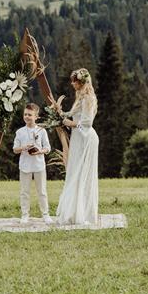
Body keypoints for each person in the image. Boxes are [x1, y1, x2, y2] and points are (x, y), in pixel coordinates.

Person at [55, 68, 99, 225]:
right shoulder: (79, 98)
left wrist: (70, 123)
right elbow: (70, 115)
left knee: (82, 173)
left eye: (75, 81)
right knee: (75, 172)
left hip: (86, 138)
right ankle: (74, 212)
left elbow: (87, 122)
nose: (72, 83)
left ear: (82, 82)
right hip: (78, 138)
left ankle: (84, 213)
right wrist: (60, 113)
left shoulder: (88, 98)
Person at [13, 103, 53, 225]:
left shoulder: (42, 131)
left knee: (42, 191)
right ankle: (25, 215)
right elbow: (15, 149)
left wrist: (40, 151)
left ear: (36, 116)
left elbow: (48, 148)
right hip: (25, 166)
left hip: (39, 165)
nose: (27, 117)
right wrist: (24, 148)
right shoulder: (19, 132)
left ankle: (45, 214)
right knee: (24, 192)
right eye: (25, 114)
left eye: (30, 115)